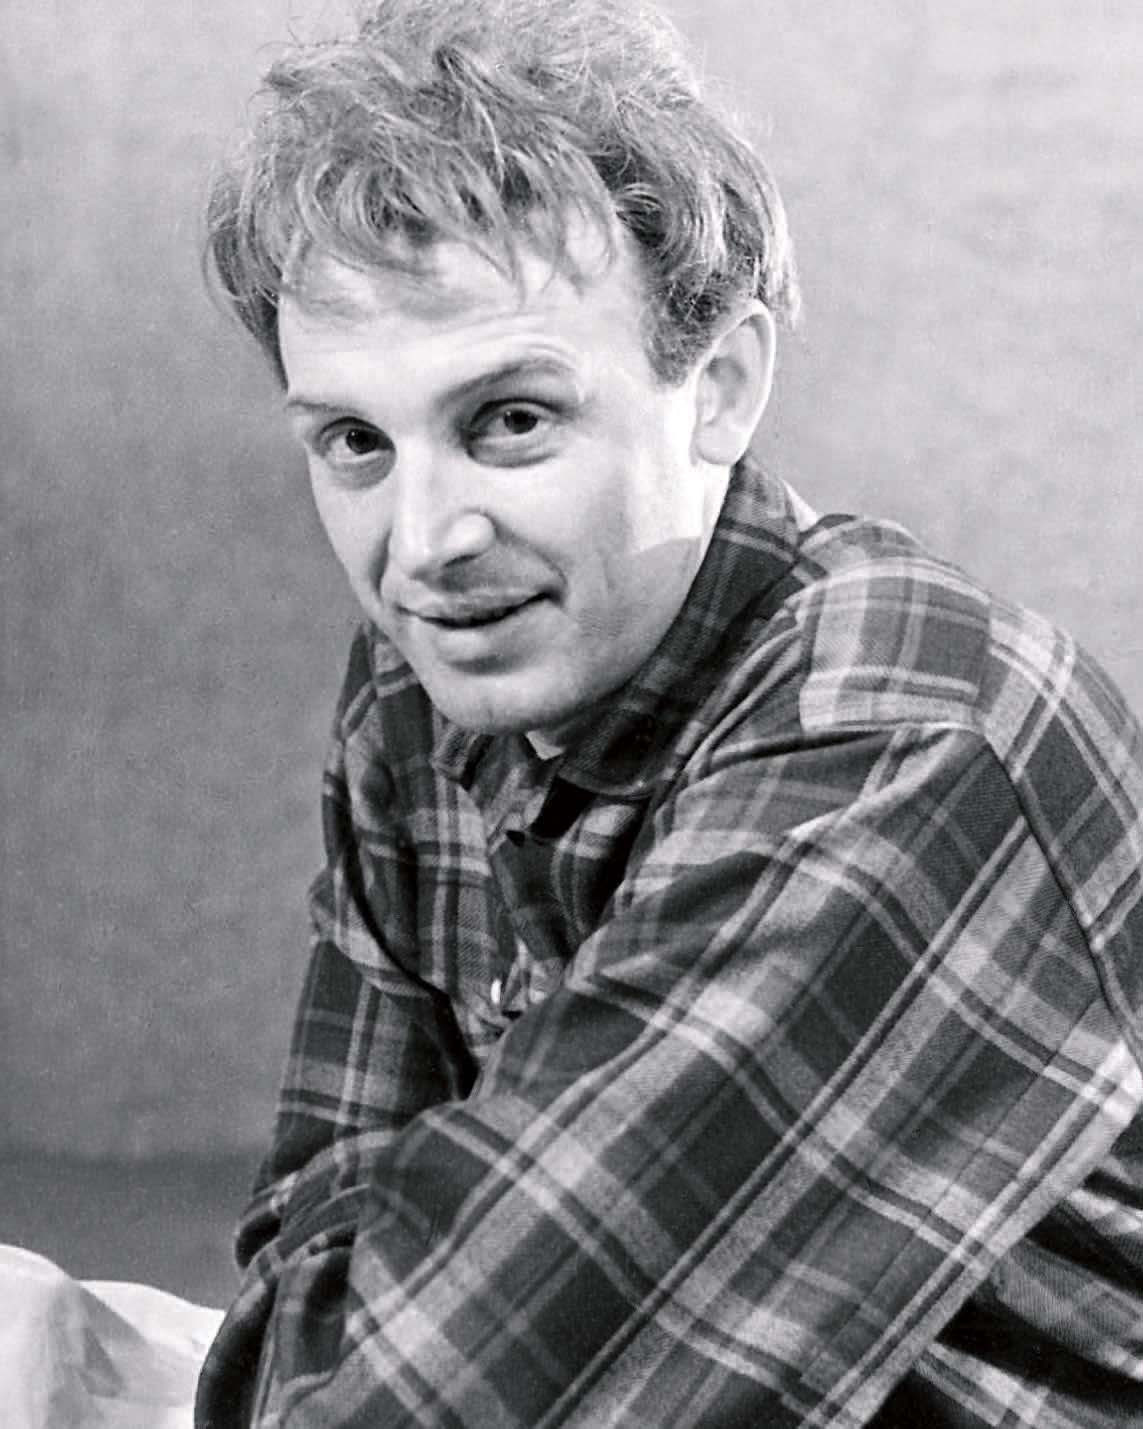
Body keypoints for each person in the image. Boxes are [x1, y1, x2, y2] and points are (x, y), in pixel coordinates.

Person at [194, 0, 1143, 1423]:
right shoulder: (429, 678)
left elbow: (403, 1408)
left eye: (513, 419)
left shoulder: (908, 741)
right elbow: (295, 1301)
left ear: (723, 387)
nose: (425, 543)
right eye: (355, 442)